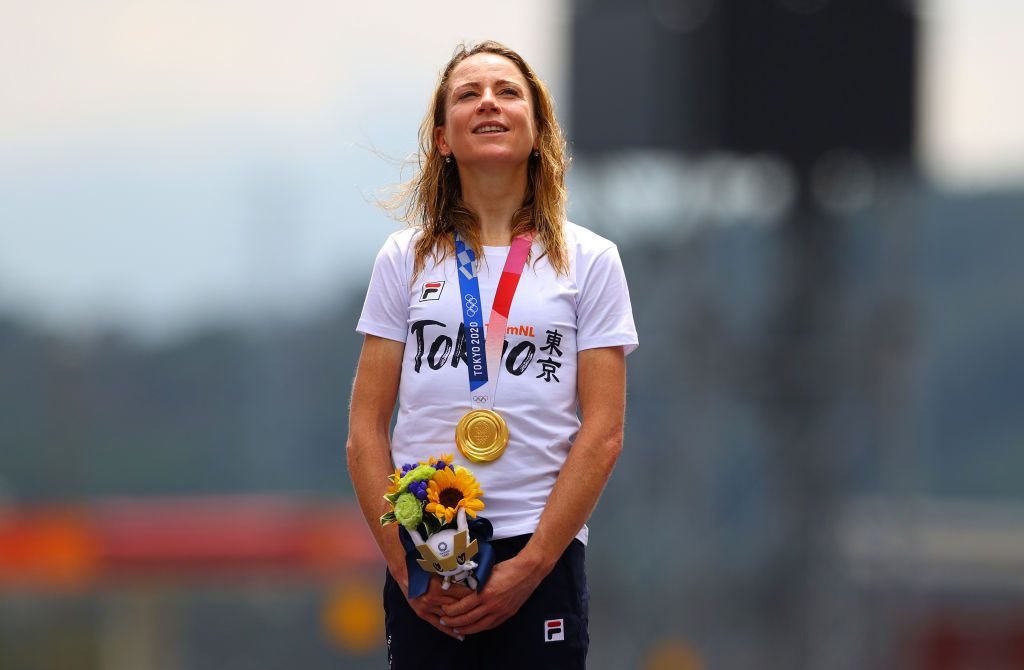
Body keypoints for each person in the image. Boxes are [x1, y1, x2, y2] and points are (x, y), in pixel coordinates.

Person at [346, 40, 637, 669]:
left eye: (508, 92)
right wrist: (402, 564)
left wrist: (529, 569)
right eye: (467, 94)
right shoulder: (406, 258)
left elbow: (605, 432)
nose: (488, 103)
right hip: (426, 554)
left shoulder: (590, 261)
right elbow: (365, 432)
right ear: (444, 138)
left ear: (538, 131)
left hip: (542, 550)